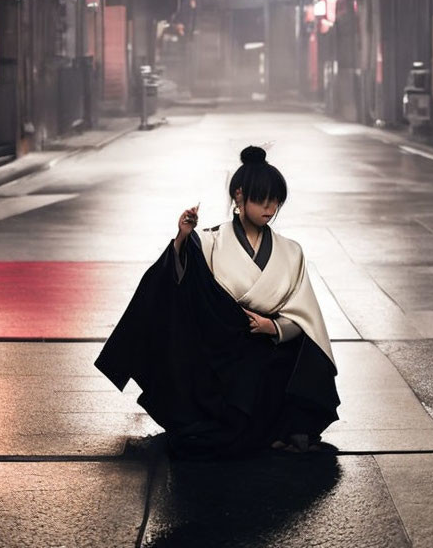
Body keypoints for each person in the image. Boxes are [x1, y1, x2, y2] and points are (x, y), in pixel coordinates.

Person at [95, 145, 340, 457]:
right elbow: (184, 284)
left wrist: (274, 328)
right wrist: (183, 237)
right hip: (221, 349)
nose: (270, 208)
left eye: (276, 200)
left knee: (290, 362)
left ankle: (276, 425)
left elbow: (305, 314)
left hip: (268, 345)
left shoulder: (291, 251)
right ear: (239, 197)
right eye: (261, 200)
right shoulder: (210, 241)